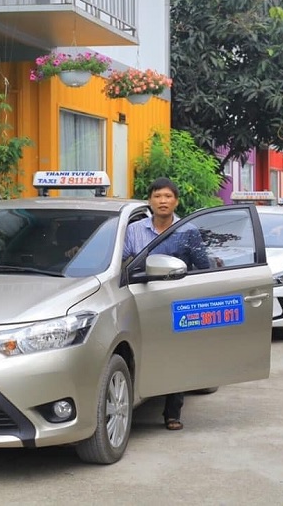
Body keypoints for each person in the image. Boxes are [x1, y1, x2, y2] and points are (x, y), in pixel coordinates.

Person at [122, 177, 208, 431]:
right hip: (141, 299)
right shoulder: (134, 230)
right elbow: (123, 260)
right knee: (145, 350)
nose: (163, 201)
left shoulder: (187, 231)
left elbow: (202, 267)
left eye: (168, 197)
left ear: (176, 201)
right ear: (150, 200)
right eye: (158, 196)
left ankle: (172, 412)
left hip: (176, 303)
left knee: (176, 354)